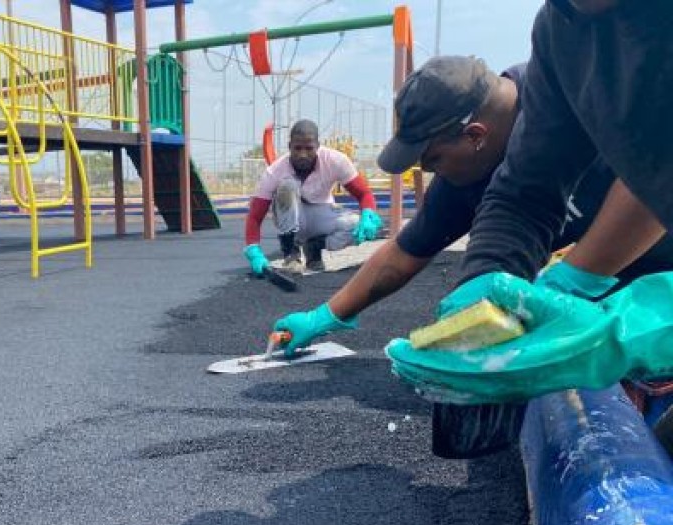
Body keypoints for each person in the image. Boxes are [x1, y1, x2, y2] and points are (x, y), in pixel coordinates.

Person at [386, 0, 673, 405]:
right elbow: (526, 189)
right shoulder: (562, 31)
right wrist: (486, 283)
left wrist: (633, 326)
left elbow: (651, 172)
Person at [242, 119, 382, 276]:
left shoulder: (336, 161)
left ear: (318, 146)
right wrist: (253, 249)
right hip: (293, 219)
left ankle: (315, 247)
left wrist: (368, 213)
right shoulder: (275, 172)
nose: (303, 154)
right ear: (289, 146)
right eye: (297, 148)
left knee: (359, 226)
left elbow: (364, 193)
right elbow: (255, 216)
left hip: (322, 214)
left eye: (309, 148)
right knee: (287, 186)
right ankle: (291, 252)